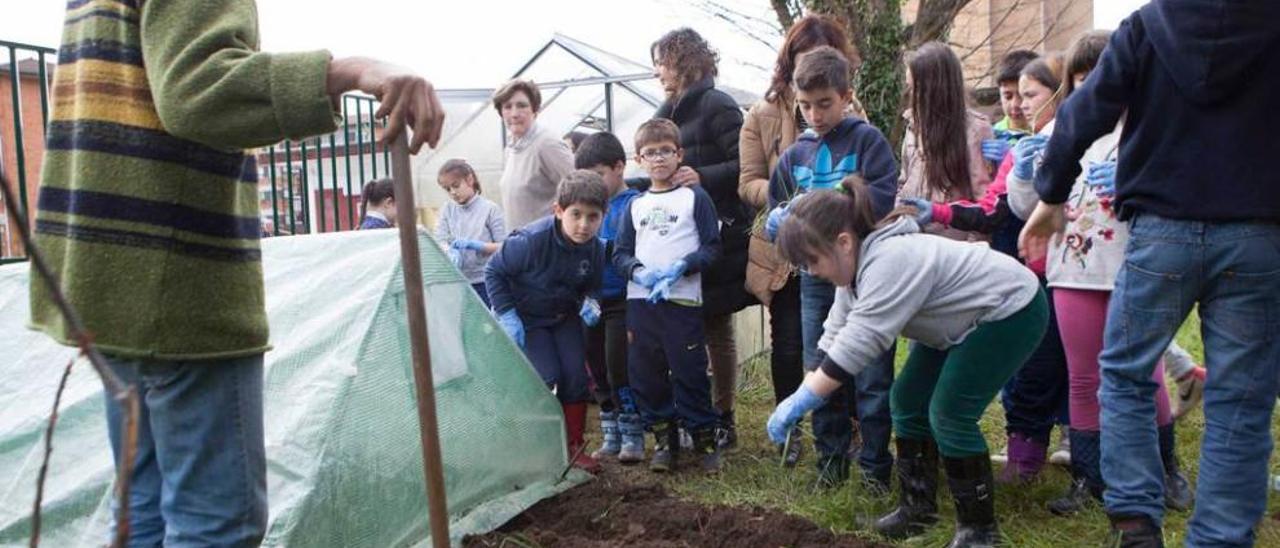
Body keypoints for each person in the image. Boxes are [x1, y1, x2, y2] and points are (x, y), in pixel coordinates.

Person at [26, 1, 444, 544]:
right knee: (214, 525)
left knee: (143, 510)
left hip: (108, 278)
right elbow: (198, 92)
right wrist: (349, 70)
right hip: (174, 280)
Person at [1018, 2, 1280, 545]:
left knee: (1126, 373)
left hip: (1163, 233)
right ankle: (1220, 537)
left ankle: (1136, 521)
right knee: (1241, 397)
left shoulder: (1147, 26)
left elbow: (1081, 114)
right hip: (1257, 233)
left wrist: (1051, 194)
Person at [766, 178, 1047, 547]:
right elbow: (834, 336)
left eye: (812, 261)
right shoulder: (856, 270)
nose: (812, 272)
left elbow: (859, 343)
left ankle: (979, 532)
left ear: (844, 242)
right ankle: (917, 508)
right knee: (908, 401)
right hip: (961, 320)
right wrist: (801, 392)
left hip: (1010, 309)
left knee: (949, 413)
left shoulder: (890, 261)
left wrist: (803, 401)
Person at [761, 46, 899, 491]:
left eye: (825, 103)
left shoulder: (867, 142)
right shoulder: (793, 156)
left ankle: (876, 467)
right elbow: (774, 213)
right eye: (805, 106)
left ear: (846, 96)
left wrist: (838, 201)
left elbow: (882, 201)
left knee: (873, 374)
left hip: (867, 274)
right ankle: (830, 465)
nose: (815, 115)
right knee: (819, 363)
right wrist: (776, 222)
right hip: (814, 280)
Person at [737, 14, 867, 468]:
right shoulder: (762, 114)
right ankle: (791, 430)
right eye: (802, 57)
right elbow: (749, 182)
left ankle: (849, 431)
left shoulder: (852, 114)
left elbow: (865, 174)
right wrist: (788, 202)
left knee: (849, 338)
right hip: (785, 250)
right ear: (788, 62)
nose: (815, 111)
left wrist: (831, 199)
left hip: (839, 248)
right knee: (791, 343)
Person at [651, 28, 754, 450]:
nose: (657, 71)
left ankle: (724, 418)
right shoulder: (666, 113)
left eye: (662, 61)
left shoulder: (719, 104)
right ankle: (695, 415)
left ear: (684, 60)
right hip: (680, 237)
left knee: (716, 327)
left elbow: (745, 165)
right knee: (683, 328)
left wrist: (703, 176)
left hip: (720, 234)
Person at [613, 118, 723, 473]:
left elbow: (712, 247)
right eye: (650, 153)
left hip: (682, 300)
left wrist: (683, 265)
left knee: (689, 369)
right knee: (646, 372)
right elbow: (619, 253)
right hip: (641, 303)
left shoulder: (695, 198)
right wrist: (639, 272)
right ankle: (664, 441)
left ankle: (705, 440)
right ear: (638, 159)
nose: (658, 159)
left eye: (665, 151)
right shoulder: (635, 205)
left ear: (679, 155)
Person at [485, 170, 608, 473]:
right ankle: (531, 448)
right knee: (547, 376)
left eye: (593, 217)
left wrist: (592, 301)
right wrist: (507, 314)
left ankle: (573, 448)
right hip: (527, 318)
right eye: (576, 214)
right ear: (558, 211)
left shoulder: (595, 248)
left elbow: (592, 283)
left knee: (575, 378)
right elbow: (494, 271)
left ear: (603, 217)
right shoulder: (530, 242)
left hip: (563, 317)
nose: (583, 225)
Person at [574, 132, 647, 463]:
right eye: (588, 176)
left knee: (619, 367)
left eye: (600, 174)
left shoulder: (632, 205)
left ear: (620, 167)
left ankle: (633, 431)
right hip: (591, 301)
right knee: (596, 366)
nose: (595, 183)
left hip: (622, 300)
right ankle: (611, 431)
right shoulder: (589, 209)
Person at [897, 42, 996, 242]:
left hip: (955, 252)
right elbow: (903, 182)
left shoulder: (975, 130)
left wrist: (972, 251)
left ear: (935, 89)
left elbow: (985, 202)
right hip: (914, 243)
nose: (912, 96)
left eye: (916, 88)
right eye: (910, 87)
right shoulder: (912, 127)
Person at [494, 79, 576, 231]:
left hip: (546, 246)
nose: (514, 113)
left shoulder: (546, 144)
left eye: (522, 105)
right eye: (507, 107)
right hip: (520, 245)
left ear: (535, 109)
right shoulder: (511, 148)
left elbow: (580, 190)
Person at [435, 159, 505, 308]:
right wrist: (448, 250)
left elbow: (504, 247)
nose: (453, 192)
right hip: (459, 282)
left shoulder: (490, 209)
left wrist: (480, 246)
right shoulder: (447, 210)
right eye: (447, 189)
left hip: (486, 281)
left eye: (456, 186)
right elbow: (439, 239)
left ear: (470, 180)